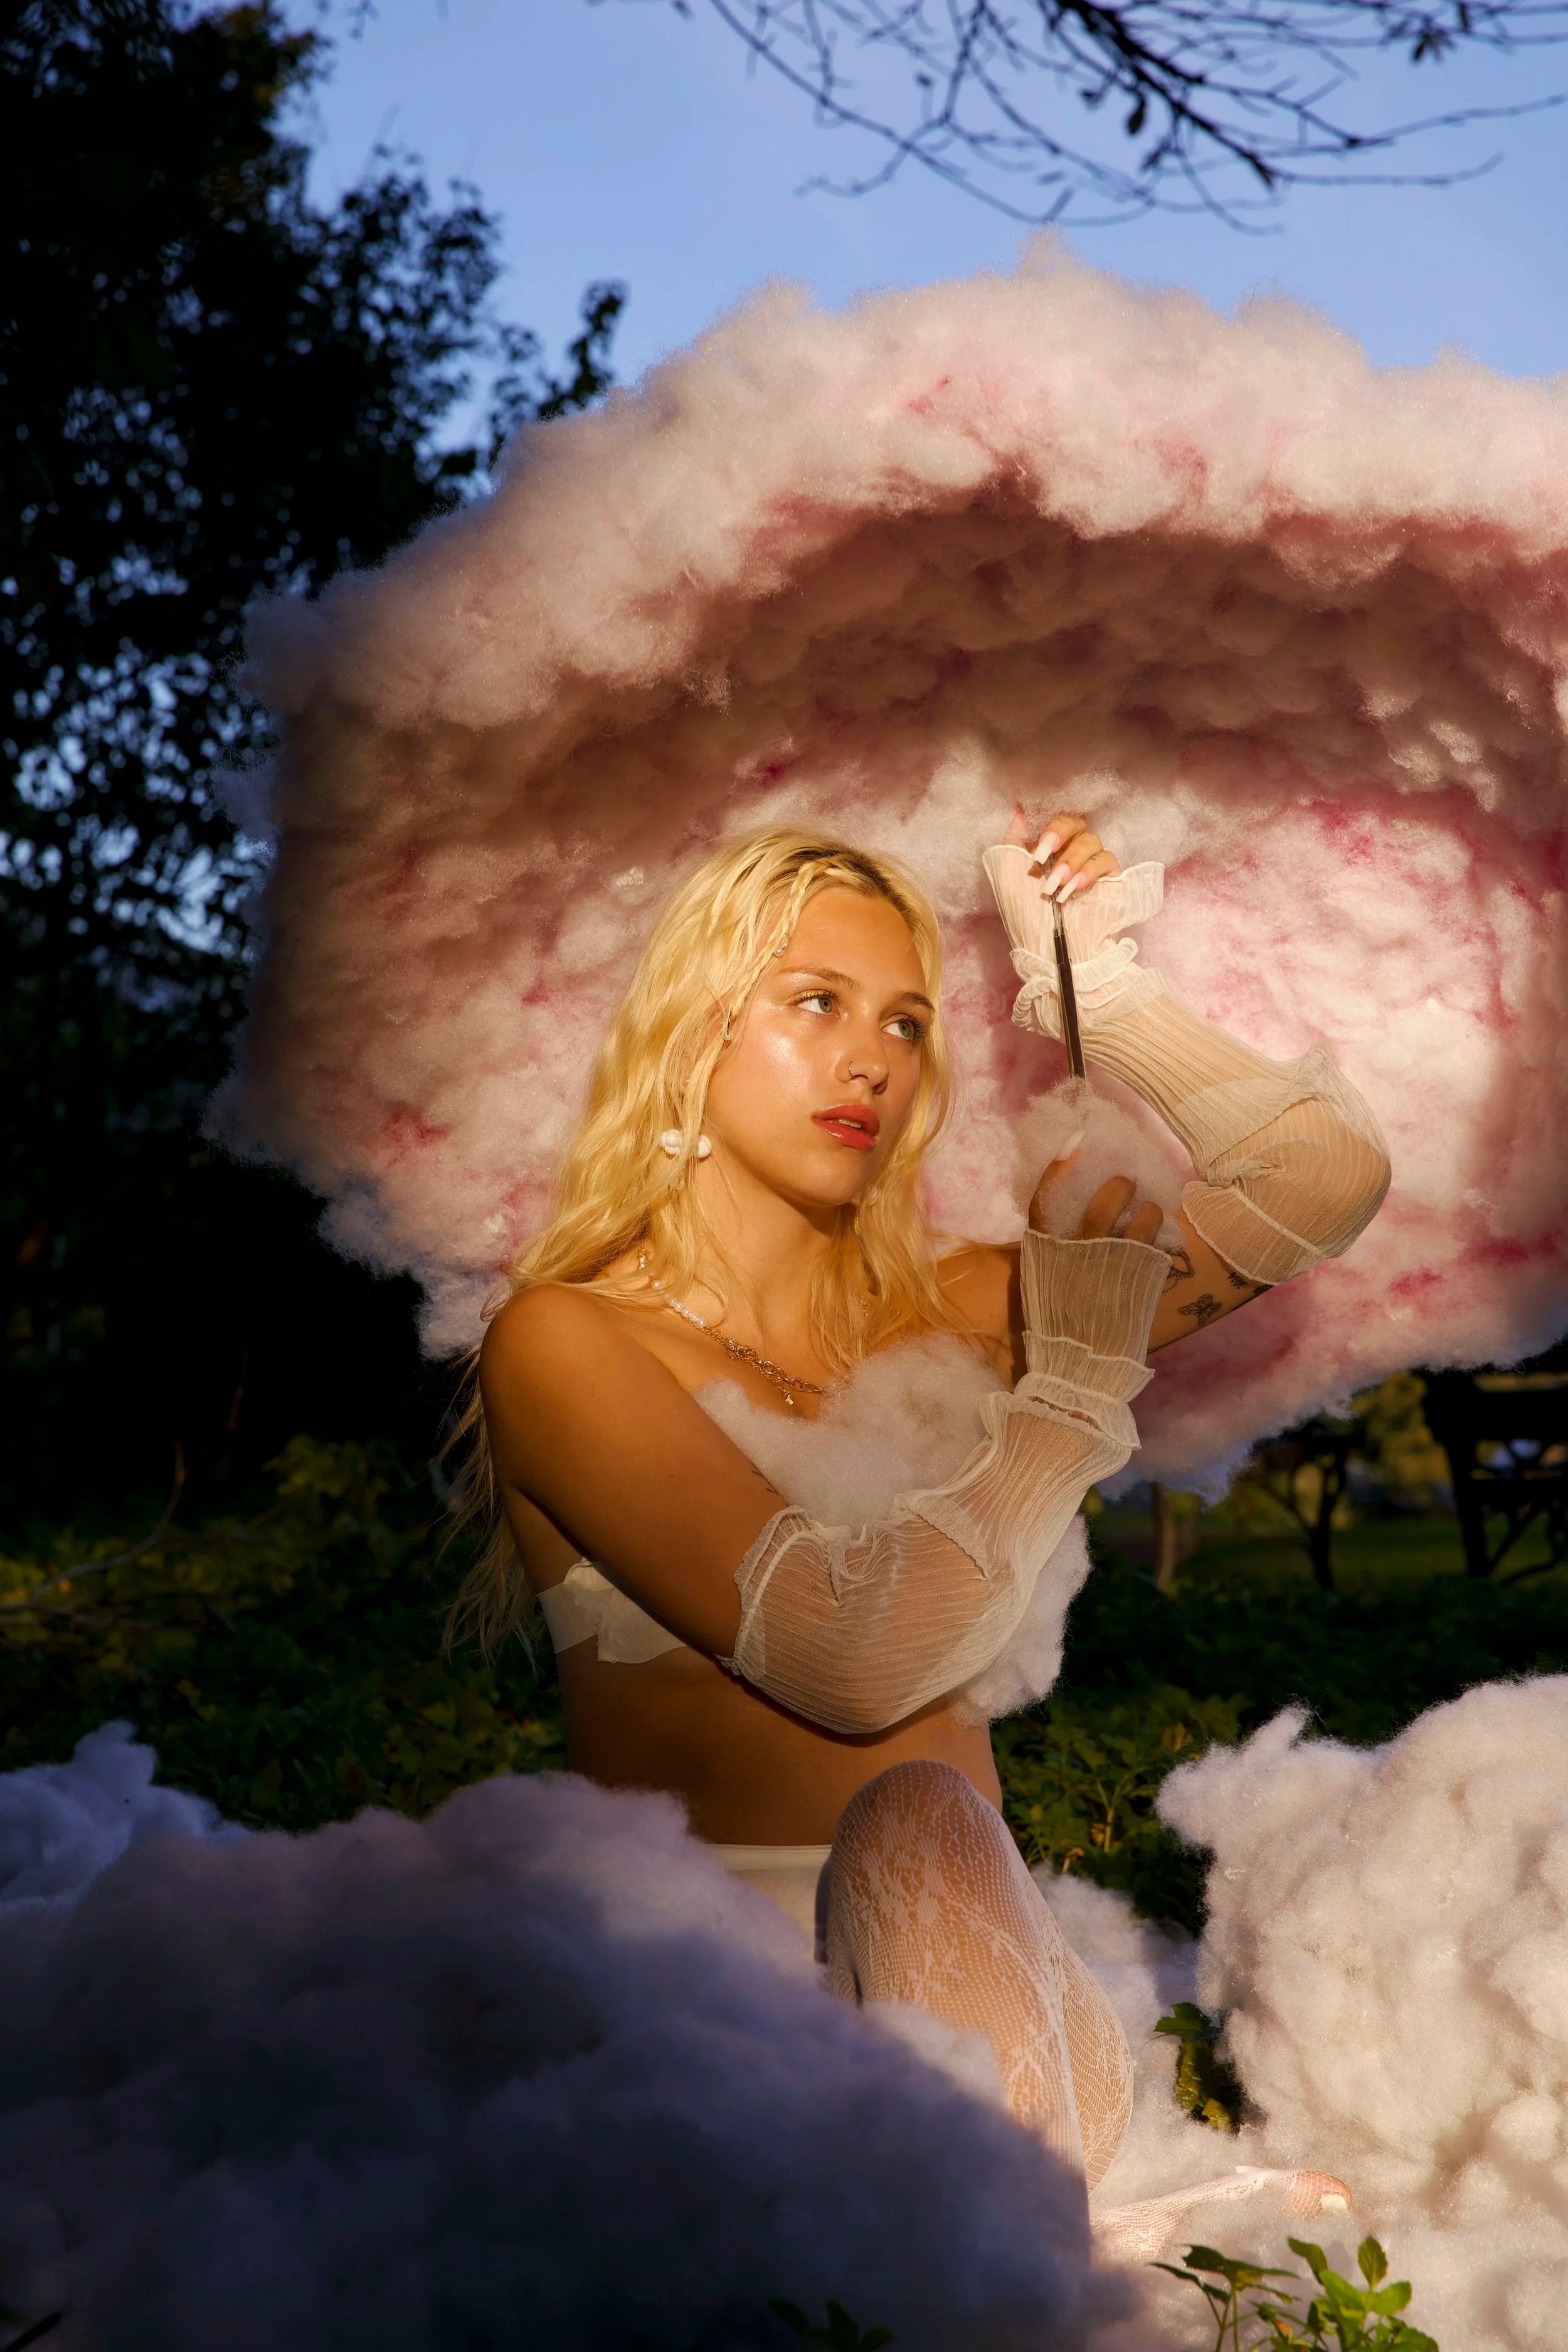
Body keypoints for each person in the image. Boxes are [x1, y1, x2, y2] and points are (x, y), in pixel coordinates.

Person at [462, 811, 1390, 2257]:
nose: (871, 1062)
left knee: (931, 1832)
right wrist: (1068, 1393)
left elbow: (1319, 1179)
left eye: (904, 1022)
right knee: (918, 1818)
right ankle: (1055, 2253)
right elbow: (850, 1661)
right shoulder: (564, 1341)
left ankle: (1037, 2244)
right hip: (717, 2012)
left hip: (986, 1984)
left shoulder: (945, 1309)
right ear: (690, 1032)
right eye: (813, 1003)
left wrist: (1096, 986)